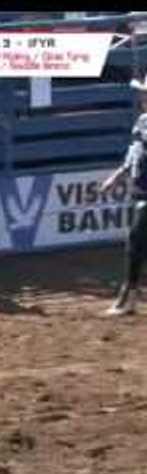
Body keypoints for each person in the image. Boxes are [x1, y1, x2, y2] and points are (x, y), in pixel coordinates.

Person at [101, 72, 147, 316]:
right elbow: (135, 155)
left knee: (136, 240)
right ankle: (129, 294)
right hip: (142, 190)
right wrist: (117, 176)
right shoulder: (142, 122)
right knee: (136, 241)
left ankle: (128, 295)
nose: (143, 98)